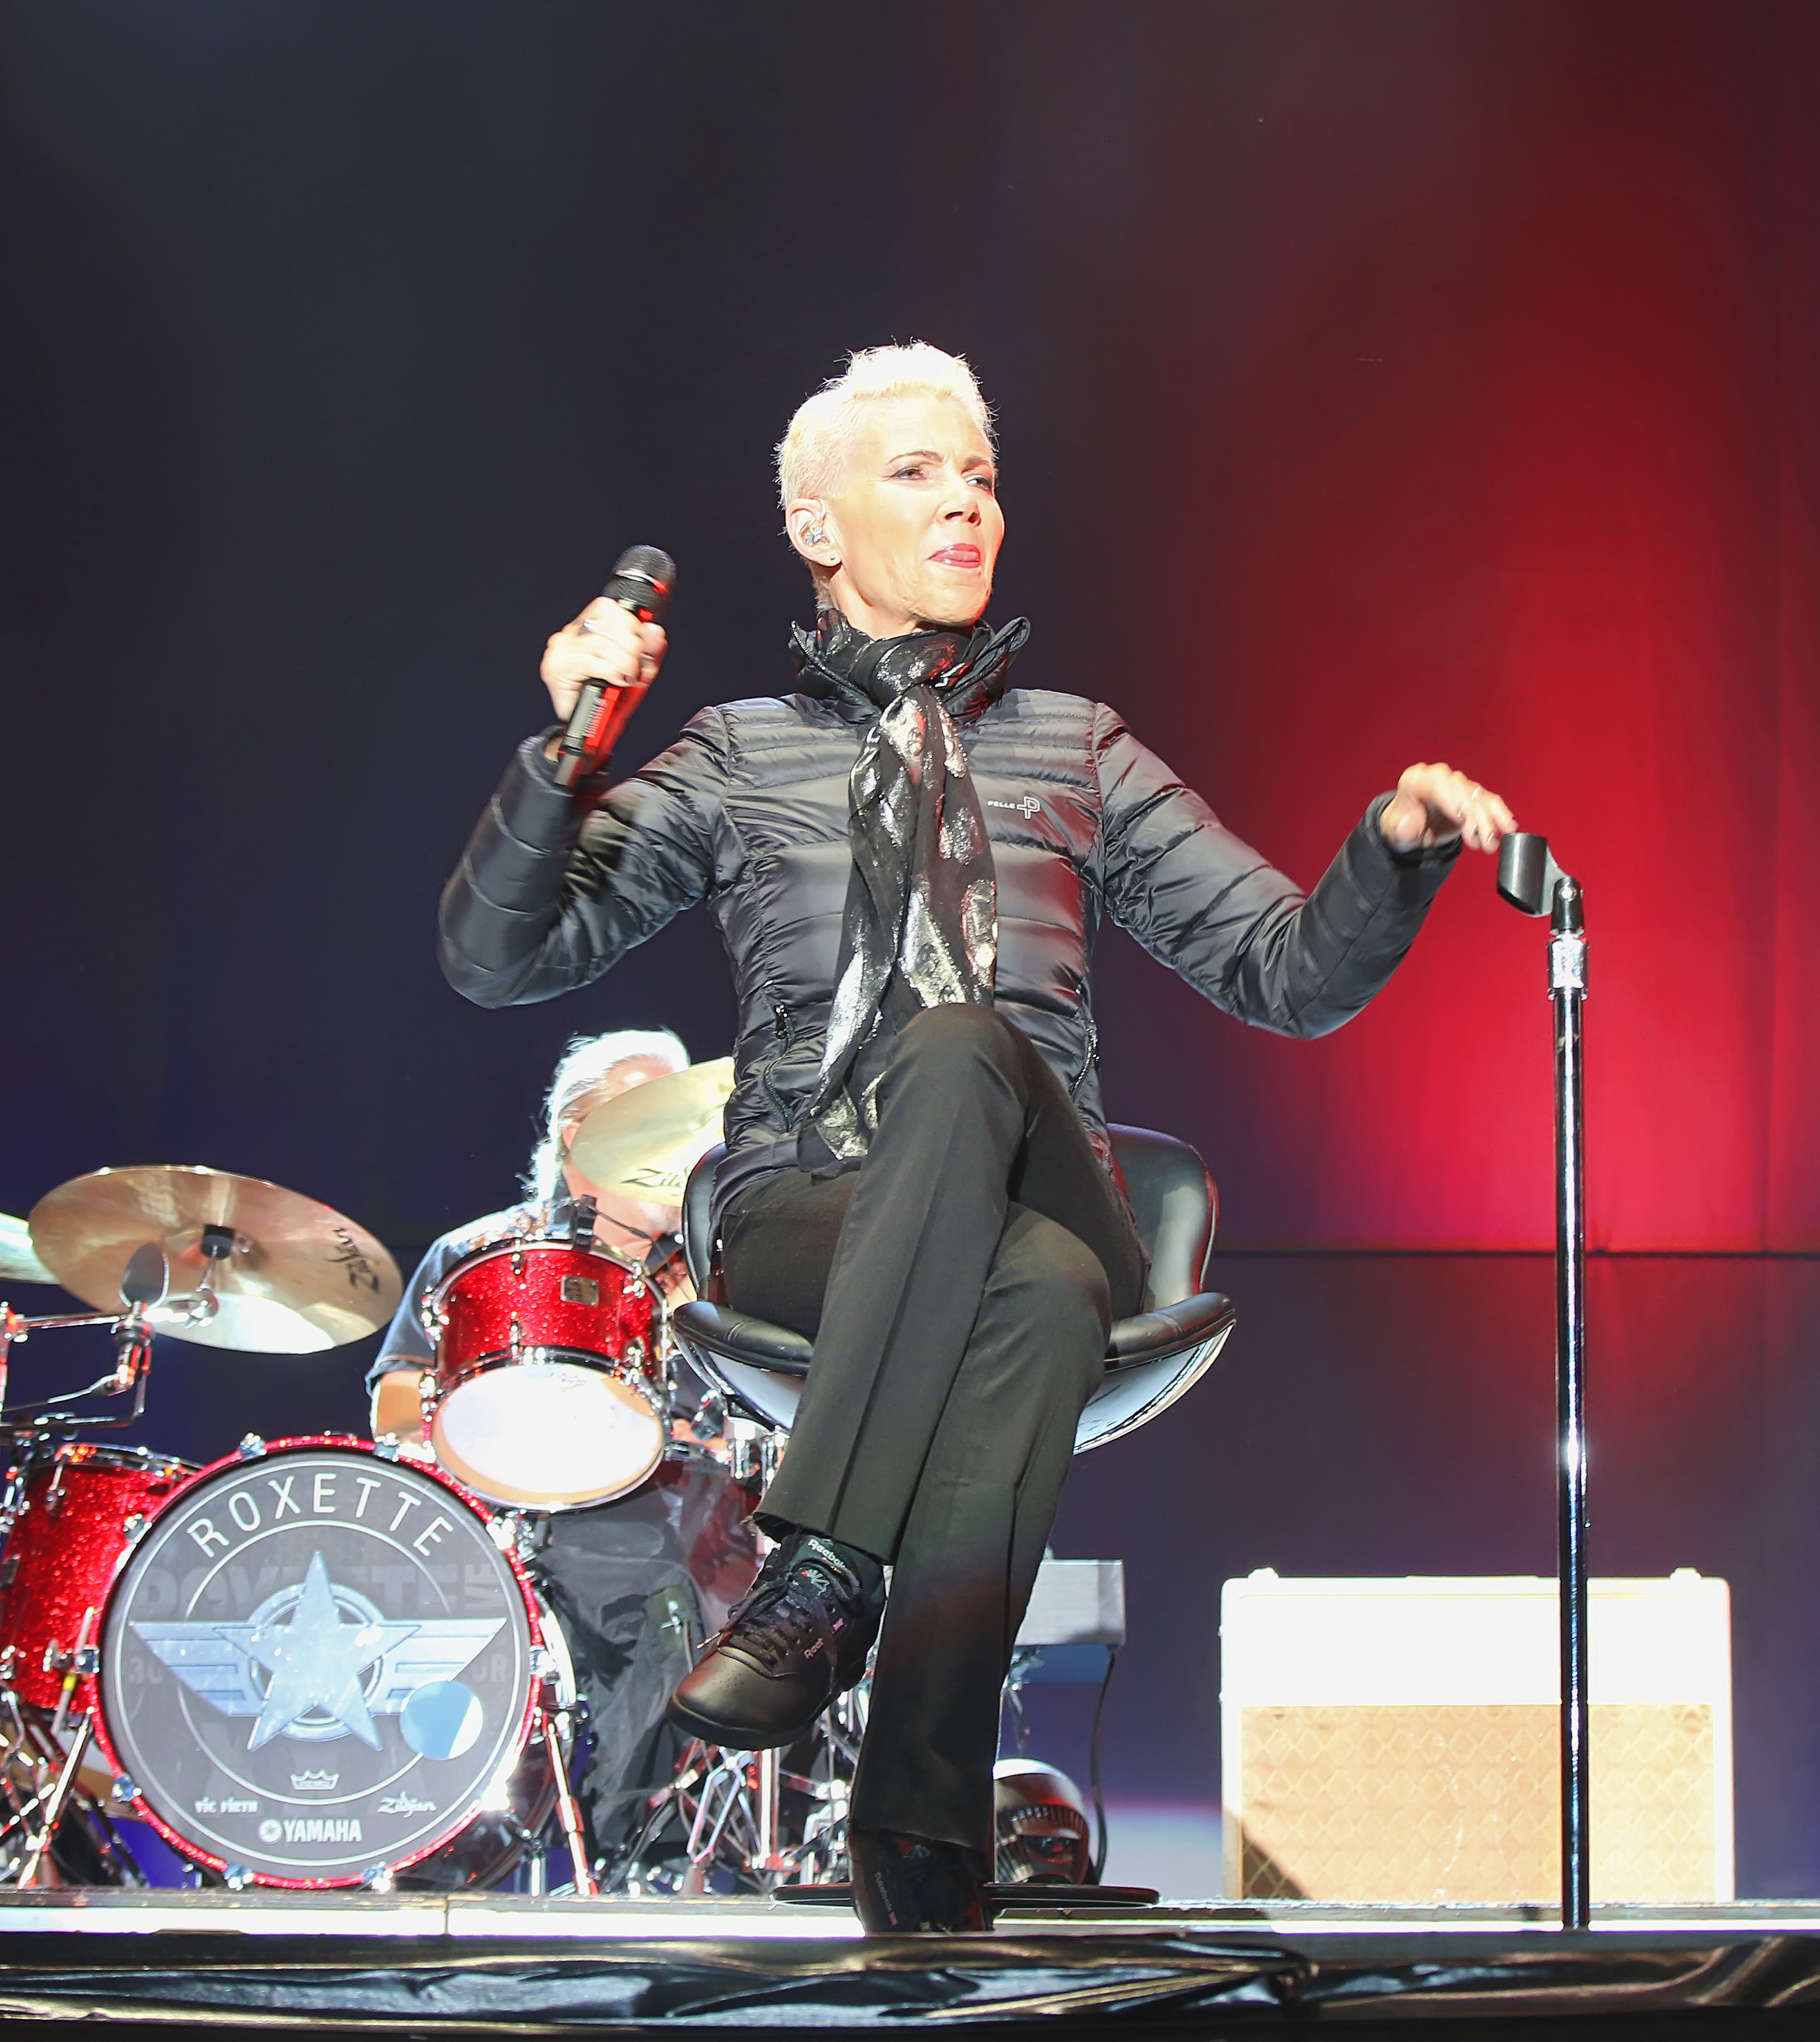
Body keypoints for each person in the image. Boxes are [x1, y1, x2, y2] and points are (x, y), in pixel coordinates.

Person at [438, 343, 1515, 1931]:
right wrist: (566, 759)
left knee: (964, 1059)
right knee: (1038, 1294)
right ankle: (919, 1846)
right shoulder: (738, 755)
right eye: (918, 474)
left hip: (1043, 1176)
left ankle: (824, 1569)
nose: (966, 506)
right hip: (812, 1210)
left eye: (983, 479)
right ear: (818, 527)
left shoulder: (1077, 745)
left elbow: (1285, 975)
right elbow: (498, 957)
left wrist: (1394, 849)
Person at [368, 1028, 758, 1871]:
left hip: (670, 1536)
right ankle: (432, 1863)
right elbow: (396, 1406)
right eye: (651, 1118)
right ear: (577, 1135)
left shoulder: (720, 1277)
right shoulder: (479, 1254)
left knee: (665, 1603)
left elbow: (770, 1424)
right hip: (496, 1529)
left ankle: (641, 1867)